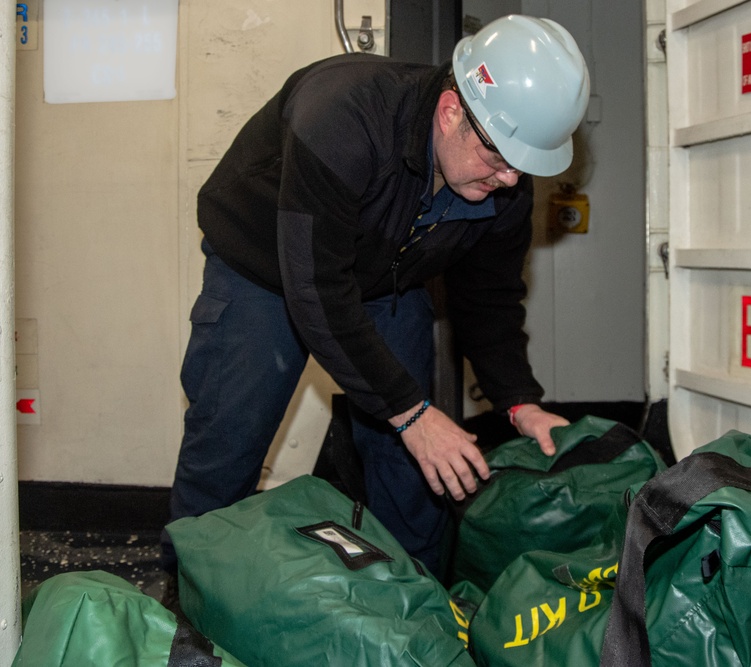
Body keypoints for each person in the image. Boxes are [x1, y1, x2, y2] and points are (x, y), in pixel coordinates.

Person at [160, 14, 591, 584]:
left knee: (416, 458)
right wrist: (411, 412)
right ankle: (187, 605)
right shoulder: (343, 116)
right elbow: (316, 288)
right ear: (451, 111)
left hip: (387, 279)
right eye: (500, 159)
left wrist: (519, 400)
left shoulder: (503, 178)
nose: (511, 180)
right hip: (266, 268)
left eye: (523, 163)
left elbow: (489, 297)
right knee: (229, 441)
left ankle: (415, 599)